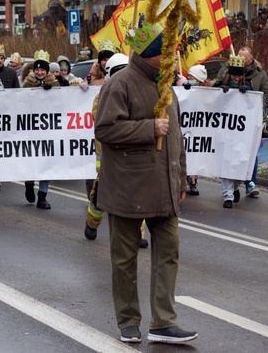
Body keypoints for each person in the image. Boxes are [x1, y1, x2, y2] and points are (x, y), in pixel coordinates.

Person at [94, 22, 196, 344]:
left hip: (164, 186)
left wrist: (179, 177)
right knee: (124, 258)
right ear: (152, 53)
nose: (173, 55)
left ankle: (164, 321)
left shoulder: (166, 86)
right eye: (167, 50)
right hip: (128, 187)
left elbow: (177, 137)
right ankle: (128, 320)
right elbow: (105, 130)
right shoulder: (120, 84)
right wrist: (148, 128)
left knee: (169, 251)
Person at [84, 53, 128, 241]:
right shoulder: (103, 95)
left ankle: (138, 233)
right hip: (109, 153)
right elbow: (99, 119)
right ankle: (92, 222)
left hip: (132, 155)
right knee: (100, 192)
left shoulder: (139, 91)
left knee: (135, 195)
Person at [214, 55, 254, 208]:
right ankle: (227, 196)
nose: (236, 78)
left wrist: (248, 91)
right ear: (229, 74)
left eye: (239, 75)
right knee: (225, 164)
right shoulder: (220, 83)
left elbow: (254, 102)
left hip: (240, 133)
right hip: (224, 132)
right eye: (234, 75)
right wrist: (218, 91)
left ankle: (235, 187)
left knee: (238, 163)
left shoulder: (248, 84)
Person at [22, 50, 59, 209]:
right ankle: (29, 184)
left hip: (48, 130)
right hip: (31, 130)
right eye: (36, 69)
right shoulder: (27, 83)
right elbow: (20, 102)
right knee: (32, 161)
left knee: (46, 164)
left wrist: (53, 92)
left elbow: (63, 102)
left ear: (47, 71)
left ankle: (42, 196)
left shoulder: (56, 84)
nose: (39, 72)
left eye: (42, 70)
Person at [236, 46, 268, 197]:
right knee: (235, 151)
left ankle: (250, 182)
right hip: (235, 119)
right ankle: (233, 182)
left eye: (243, 58)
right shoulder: (230, 70)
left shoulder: (260, 75)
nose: (240, 60)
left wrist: (255, 104)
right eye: (238, 56)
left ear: (251, 59)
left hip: (252, 119)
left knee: (251, 152)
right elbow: (219, 84)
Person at [184, 64, 209, 196]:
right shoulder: (184, 88)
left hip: (199, 128)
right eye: (188, 76)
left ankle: (193, 181)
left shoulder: (208, 92)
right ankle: (185, 180)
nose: (189, 79)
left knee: (195, 155)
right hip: (187, 127)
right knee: (185, 154)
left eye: (192, 77)